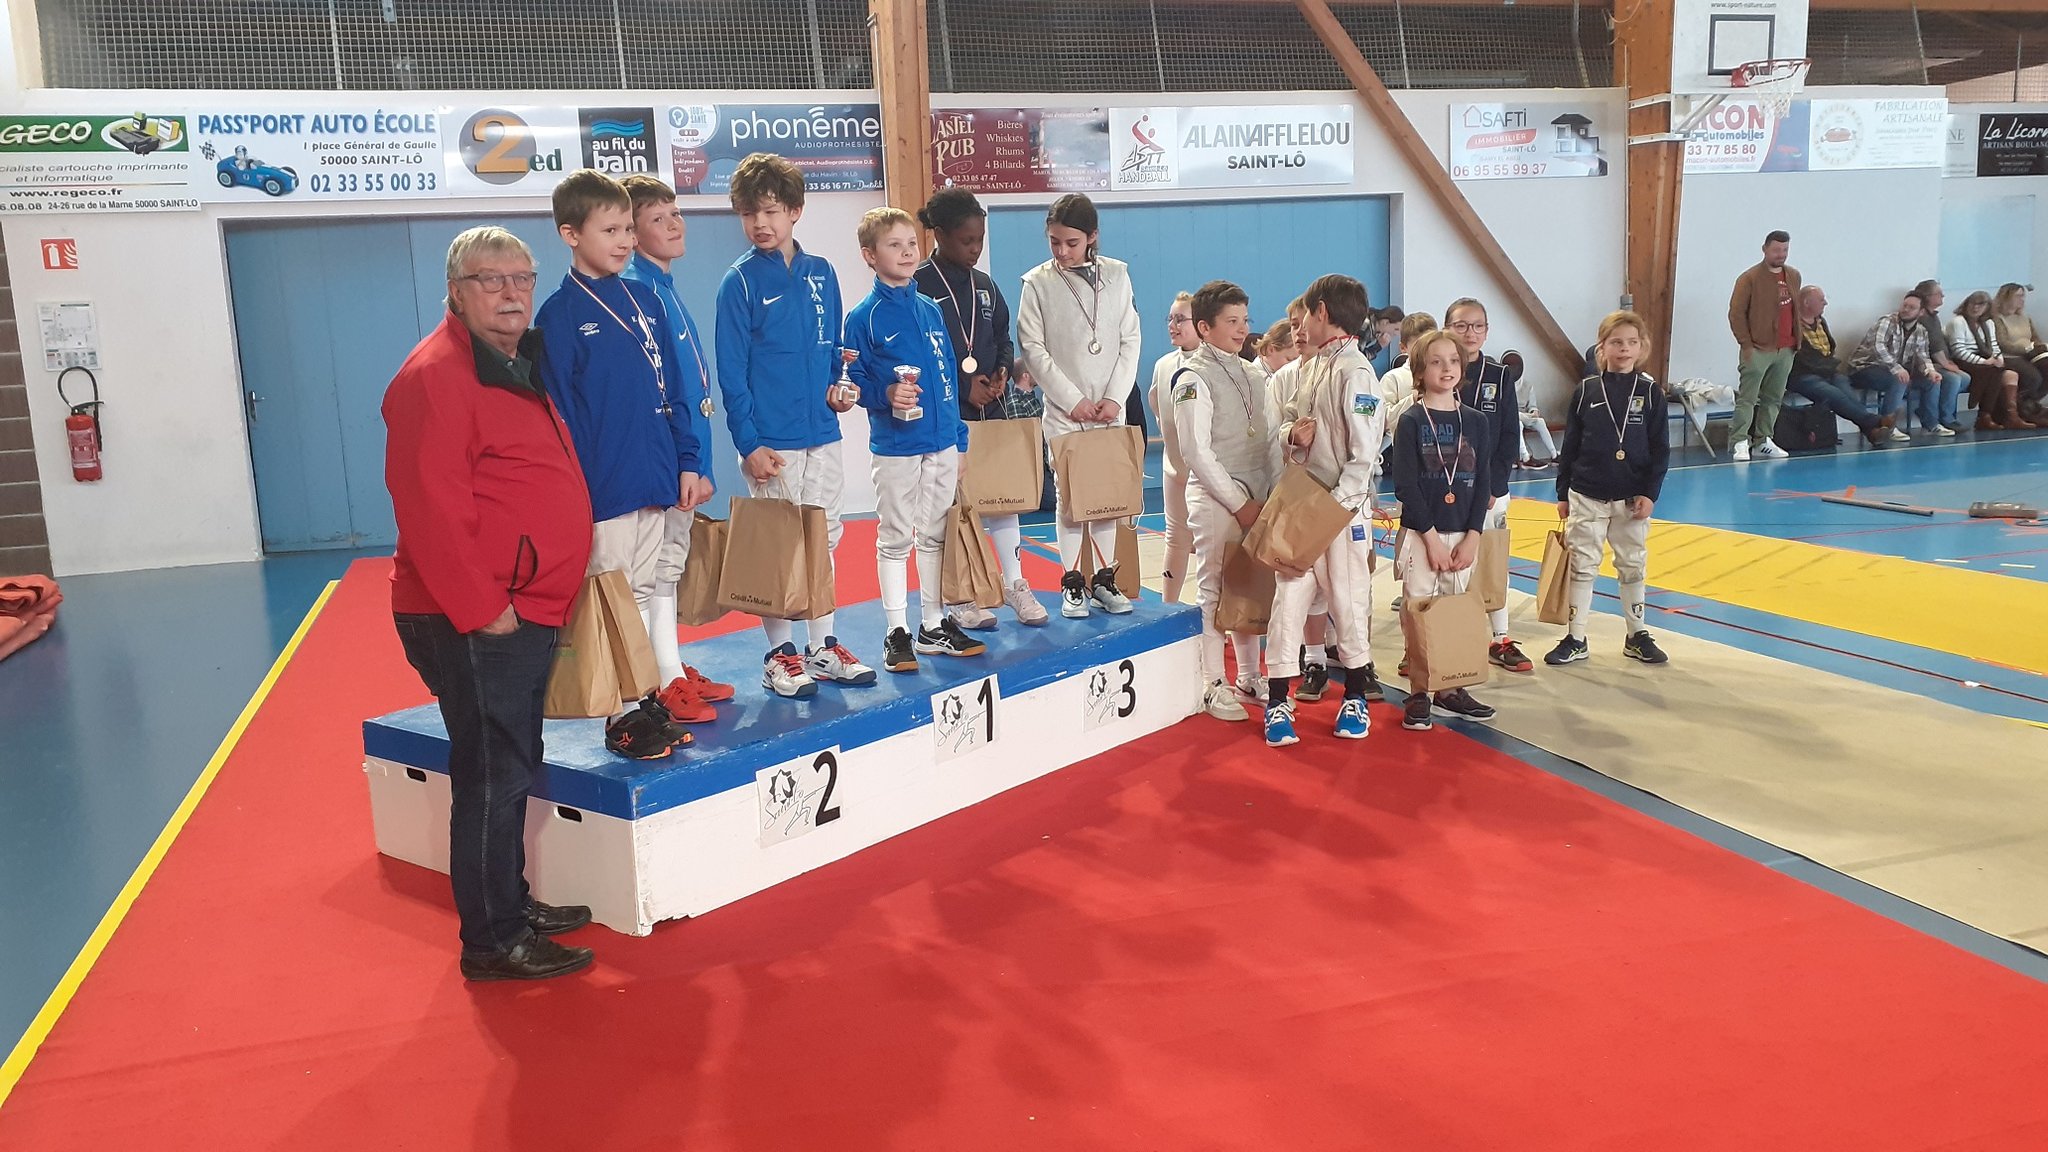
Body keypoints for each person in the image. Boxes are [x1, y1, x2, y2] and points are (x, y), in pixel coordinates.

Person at [383, 226, 596, 981]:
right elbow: (429, 507)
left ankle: (510, 902)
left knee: (511, 764)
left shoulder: (508, 361)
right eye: (490, 280)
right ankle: (493, 941)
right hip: (476, 616)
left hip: (519, 606)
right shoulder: (435, 376)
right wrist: (483, 609)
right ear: (456, 291)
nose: (510, 293)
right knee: (490, 777)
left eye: (521, 278)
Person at [534, 170, 711, 758]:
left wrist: (688, 460)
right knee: (608, 595)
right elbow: (559, 416)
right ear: (570, 234)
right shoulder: (560, 316)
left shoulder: (646, 300)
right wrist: (575, 491)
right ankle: (618, 716)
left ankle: (637, 697)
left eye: (626, 230)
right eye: (609, 230)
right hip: (603, 485)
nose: (624, 241)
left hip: (656, 475)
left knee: (641, 590)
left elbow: (675, 389)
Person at [715, 153, 874, 697]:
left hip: (822, 433)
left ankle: (822, 646)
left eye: (770, 211)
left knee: (823, 540)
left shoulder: (821, 272)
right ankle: (779, 655)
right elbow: (731, 373)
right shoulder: (738, 283)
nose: (760, 223)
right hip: (772, 443)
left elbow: (834, 349)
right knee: (779, 548)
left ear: (795, 211)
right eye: (749, 214)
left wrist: (839, 389)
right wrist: (749, 444)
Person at [843, 207, 986, 674]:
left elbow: (946, 378)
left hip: (941, 441)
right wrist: (885, 393)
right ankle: (896, 630)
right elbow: (851, 379)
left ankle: (932, 623)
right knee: (894, 537)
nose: (907, 253)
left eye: (911, 244)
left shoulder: (929, 309)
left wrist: (959, 439)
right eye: (894, 246)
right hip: (896, 445)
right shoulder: (862, 318)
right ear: (870, 255)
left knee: (936, 534)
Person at [618, 173, 738, 711]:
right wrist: (686, 463)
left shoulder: (663, 286)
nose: (673, 225)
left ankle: (667, 666)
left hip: (687, 454)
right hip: (666, 459)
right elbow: (663, 391)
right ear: (631, 233)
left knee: (668, 567)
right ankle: (659, 680)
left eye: (676, 214)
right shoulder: (639, 290)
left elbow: (692, 386)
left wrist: (701, 460)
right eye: (657, 219)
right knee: (650, 573)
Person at [913, 187, 1049, 628]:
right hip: (946, 416)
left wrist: (1004, 371)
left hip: (991, 410)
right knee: (953, 508)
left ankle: (1015, 584)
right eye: (966, 240)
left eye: (980, 240)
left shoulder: (986, 287)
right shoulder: (919, 285)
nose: (975, 249)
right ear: (940, 235)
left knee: (1003, 500)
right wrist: (962, 386)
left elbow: (1003, 337)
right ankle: (961, 597)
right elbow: (920, 356)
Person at [1263, 274, 1390, 747]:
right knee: (1288, 600)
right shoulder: (1313, 367)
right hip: (1303, 505)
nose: (1298, 327)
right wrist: (1291, 437)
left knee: (1348, 601)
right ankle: (1278, 701)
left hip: (1340, 515)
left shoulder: (1356, 372)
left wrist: (1333, 510)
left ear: (1321, 313)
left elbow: (1364, 455)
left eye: (1305, 317)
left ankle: (1355, 696)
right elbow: (1288, 426)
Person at [1016, 193, 1141, 618]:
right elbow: (1032, 347)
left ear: (1092, 237)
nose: (1062, 251)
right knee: (1070, 497)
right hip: (1065, 411)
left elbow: (1130, 339)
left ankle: (1104, 580)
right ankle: (1072, 582)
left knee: (1106, 494)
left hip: (1109, 408)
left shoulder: (1118, 275)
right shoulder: (1037, 283)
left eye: (1071, 242)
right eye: (1054, 242)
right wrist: (1073, 400)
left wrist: (1115, 397)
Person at [1166, 281, 1276, 722]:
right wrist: (1237, 502)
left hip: (1257, 496)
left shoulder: (1255, 374)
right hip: (1215, 498)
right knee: (1213, 589)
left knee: (1248, 585)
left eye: (1245, 320)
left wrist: (1270, 496)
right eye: (1232, 321)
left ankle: (1249, 675)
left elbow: (1269, 441)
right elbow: (1195, 450)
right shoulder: (1192, 377)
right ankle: (1213, 683)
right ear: (1204, 328)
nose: (1242, 329)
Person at [1544, 311, 1671, 668]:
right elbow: (1570, 445)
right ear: (1602, 347)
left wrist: (1650, 493)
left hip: (1631, 498)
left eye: (1632, 342)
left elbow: (1660, 448)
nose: (1624, 349)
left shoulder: (1650, 393)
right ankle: (1575, 637)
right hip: (1586, 493)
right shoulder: (1586, 390)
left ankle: (1637, 634)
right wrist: (1562, 493)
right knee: (1583, 565)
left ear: (1642, 347)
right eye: (1616, 342)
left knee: (1632, 564)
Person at [1387, 329, 1497, 733]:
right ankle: (1419, 690)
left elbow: (1483, 482)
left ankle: (1450, 687)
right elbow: (1406, 485)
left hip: (1463, 533)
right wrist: (1431, 539)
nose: (1446, 368)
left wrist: (1474, 536)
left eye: (1453, 360)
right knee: (1419, 610)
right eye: (1436, 362)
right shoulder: (1412, 421)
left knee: (1454, 610)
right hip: (1422, 534)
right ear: (1419, 371)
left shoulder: (1477, 421)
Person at [1443, 297, 1530, 674]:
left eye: (1478, 326)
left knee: (1492, 561)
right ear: (1447, 328)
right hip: (1445, 487)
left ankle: (1500, 638)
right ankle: (1435, 639)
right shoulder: (1437, 370)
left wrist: (1494, 485)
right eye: (1462, 325)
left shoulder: (1499, 375)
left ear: (1487, 331)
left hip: (1490, 489)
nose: (1470, 333)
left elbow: (1510, 433)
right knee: (1443, 565)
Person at [1788, 286, 1900, 447]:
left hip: (1827, 371)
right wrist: (1828, 364)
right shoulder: (1792, 325)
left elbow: (1829, 349)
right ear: (1806, 303)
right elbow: (1804, 357)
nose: (1825, 303)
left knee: (1845, 391)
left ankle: (1871, 431)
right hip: (1802, 374)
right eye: (1821, 300)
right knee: (1833, 394)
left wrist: (1829, 365)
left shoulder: (1820, 322)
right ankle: (1875, 421)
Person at [1726, 230, 1801, 462]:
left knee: (1774, 397)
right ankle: (1740, 440)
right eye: (1776, 250)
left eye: (1785, 250)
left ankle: (1764, 439)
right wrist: (1746, 345)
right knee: (1748, 398)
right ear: (1765, 249)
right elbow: (1736, 314)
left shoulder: (1793, 275)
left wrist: (1795, 342)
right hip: (1757, 349)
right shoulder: (1748, 278)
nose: (1781, 254)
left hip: (1785, 348)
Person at [1148, 291, 1202, 604]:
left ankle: (1213, 613)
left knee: (1212, 545)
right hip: (1175, 467)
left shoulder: (1214, 364)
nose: (1173, 325)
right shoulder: (1164, 364)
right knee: (1176, 539)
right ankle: (1167, 607)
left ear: (1202, 324)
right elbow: (1155, 399)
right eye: (1170, 318)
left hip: (1208, 472)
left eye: (1180, 319)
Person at [1847, 293, 1941, 436]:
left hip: (1891, 370)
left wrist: (1930, 371)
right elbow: (1878, 347)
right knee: (1899, 379)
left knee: (1932, 381)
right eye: (1904, 305)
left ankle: (1931, 424)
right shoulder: (1887, 322)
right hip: (1864, 367)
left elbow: (1923, 356)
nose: (1906, 309)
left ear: (1921, 312)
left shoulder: (1921, 331)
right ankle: (1887, 427)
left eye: (1912, 307)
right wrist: (1896, 368)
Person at [1947, 290, 2033, 431]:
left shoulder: (1989, 323)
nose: (1975, 308)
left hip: (1986, 359)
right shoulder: (1958, 322)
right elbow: (1958, 350)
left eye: (1980, 305)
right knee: (1994, 371)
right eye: (1973, 304)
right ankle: (1984, 415)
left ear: (1987, 307)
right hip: (1965, 360)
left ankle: (2010, 416)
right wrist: (1984, 362)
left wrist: (1998, 358)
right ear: (1966, 305)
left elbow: (1994, 346)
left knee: (2010, 374)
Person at [1908, 281, 1965, 434]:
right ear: (1927, 297)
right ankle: (1944, 418)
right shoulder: (1923, 318)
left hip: (1934, 362)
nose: (1943, 296)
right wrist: (1945, 364)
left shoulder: (1933, 316)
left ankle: (1938, 412)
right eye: (1939, 293)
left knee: (1964, 378)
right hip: (1923, 363)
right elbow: (1933, 346)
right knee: (1953, 379)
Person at [1991, 283, 2048, 419]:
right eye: (2018, 296)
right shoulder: (1997, 319)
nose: (2022, 299)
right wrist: (2026, 348)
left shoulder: (2025, 318)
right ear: (2006, 297)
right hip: (2009, 356)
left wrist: (2040, 346)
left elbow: (2035, 337)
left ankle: (2028, 404)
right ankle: (2021, 406)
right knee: (2034, 377)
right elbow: (2003, 343)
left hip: (2029, 354)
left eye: (2023, 296)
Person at [1365, 305, 1404, 375]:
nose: (1396, 334)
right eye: (1396, 329)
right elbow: (1357, 357)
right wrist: (1379, 346)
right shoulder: (1365, 325)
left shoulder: (1375, 330)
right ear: (1385, 322)